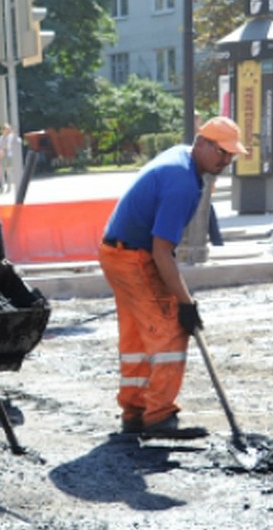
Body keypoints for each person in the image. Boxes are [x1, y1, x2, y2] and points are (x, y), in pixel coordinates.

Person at [100, 116, 247, 439]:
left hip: (116, 251)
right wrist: (185, 304)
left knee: (138, 336)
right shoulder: (182, 181)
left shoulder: (183, 160)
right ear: (203, 143)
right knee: (169, 330)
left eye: (231, 155)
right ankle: (159, 417)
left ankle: (135, 411)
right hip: (132, 256)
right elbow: (161, 251)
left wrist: (183, 299)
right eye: (222, 152)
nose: (226, 160)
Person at [0, 125, 20, 194]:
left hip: (9, 156)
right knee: (1, 172)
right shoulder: (1, 138)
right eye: (3, 129)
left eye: (5, 129)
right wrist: (0, 151)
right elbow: (0, 146)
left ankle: (9, 188)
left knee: (8, 172)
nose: (4, 131)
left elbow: (12, 146)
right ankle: (2, 188)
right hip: (2, 156)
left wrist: (5, 147)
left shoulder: (11, 137)